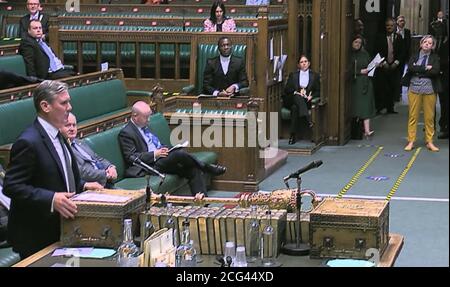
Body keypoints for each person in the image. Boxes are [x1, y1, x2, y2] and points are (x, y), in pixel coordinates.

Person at [2, 80, 102, 259]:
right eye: (63, 103)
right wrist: (51, 199)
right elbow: (12, 186)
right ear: (45, 106)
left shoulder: (59, 136)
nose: (69, 107)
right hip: (36, 235)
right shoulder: (28, 141)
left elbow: (61, 178)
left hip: (62, 228)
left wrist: (84, 186)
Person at [118, 101, 227, 196]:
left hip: (161, 159)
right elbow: (131, 157)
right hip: (149, 165)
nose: (149, 120)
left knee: (193, 169)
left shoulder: (144, 126)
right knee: (179, 154)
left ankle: (203, 206)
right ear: (135, 115)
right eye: (146, 117)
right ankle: (205, 167)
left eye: (149, 116)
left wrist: (165, 149)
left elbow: (155, 144)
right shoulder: (126, 133)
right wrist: (155, 154)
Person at [402, 35, 442, 152]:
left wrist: (419, 69)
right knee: (413, 116)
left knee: (429, 117)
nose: (427, 44)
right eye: (425, 42)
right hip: (414, 89)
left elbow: (435, 71)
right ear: (421, 44)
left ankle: (429, 141)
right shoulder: (414, 56)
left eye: (430, 43)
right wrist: (426, 68)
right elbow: (410, 68)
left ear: (432, 46)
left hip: (429, 90)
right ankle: (411, 141)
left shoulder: (434, 57)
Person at [61, 113, 118, 189]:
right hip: (91, 187)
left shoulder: (79, 142)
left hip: (104, 182)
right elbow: (81, 172)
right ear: (59, 127)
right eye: (68, 125)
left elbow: (97, 158)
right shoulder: (63, 148)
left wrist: (110, 167)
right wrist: (105, 174)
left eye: (74, 125)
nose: (72, 128)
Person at [282, 55, 320, 145]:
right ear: (299, 65)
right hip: (292, 98)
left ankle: (292, 135)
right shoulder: (293, 75)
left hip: (305, 101)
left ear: (309, 63)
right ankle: (308, 119)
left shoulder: (314, 76)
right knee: (297, 97)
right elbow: (287, 89)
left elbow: (318, 91)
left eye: (305, 61)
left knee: (295, 108)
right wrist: (296, 92)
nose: (304, 63)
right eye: (301, 62)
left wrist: (312, 96)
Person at [374, 18, 405, 114]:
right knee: (381, 87)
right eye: (388, 25)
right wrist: (383, 62)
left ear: (395, 26)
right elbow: (376, 50)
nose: (389, 27)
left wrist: (396, 62)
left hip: (394, 66)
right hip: (383, 65)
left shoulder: (399, 37)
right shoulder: (379, 37)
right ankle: (379, 107)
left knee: (392, 86)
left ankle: (390, 108)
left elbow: (402, 52)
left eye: (391, 25)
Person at [350, 35, 376, 138]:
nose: (357, 44)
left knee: (366, 106)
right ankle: (357, 129)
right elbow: (346, 69)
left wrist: (375, 65)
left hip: (366, 82)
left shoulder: (364, 53)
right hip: (356, 83)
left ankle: (367, 130)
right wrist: (359, 71)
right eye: (356, 42)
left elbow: (369, 65)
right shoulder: (349, 55)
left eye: (359, 43)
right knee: (357, 106)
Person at [396, 15, 412, 102]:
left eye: (403, 21)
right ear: (397, 22)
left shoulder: (407, 32)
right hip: (396, 56)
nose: (402, 22)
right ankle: (396, 92)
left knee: (402, 73)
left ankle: (400, 91)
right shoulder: (395, 32)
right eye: (401, 21)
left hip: (405, 56)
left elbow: (408, 44)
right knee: (397, 74)